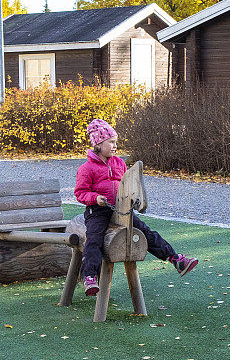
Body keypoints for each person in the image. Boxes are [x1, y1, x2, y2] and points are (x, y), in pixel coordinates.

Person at [74, 119, 198, 296]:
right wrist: (96, 198)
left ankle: (176, 259)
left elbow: (129, 185)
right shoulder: (87, 168)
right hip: (98, 211)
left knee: (145, 231)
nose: (115, 146)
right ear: (99, 144)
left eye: (115, 142)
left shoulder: (119, 163)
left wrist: (134, 199)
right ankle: (90, 277)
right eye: (111, 142)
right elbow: (80, 193)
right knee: (94, 239)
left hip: (121, 211)